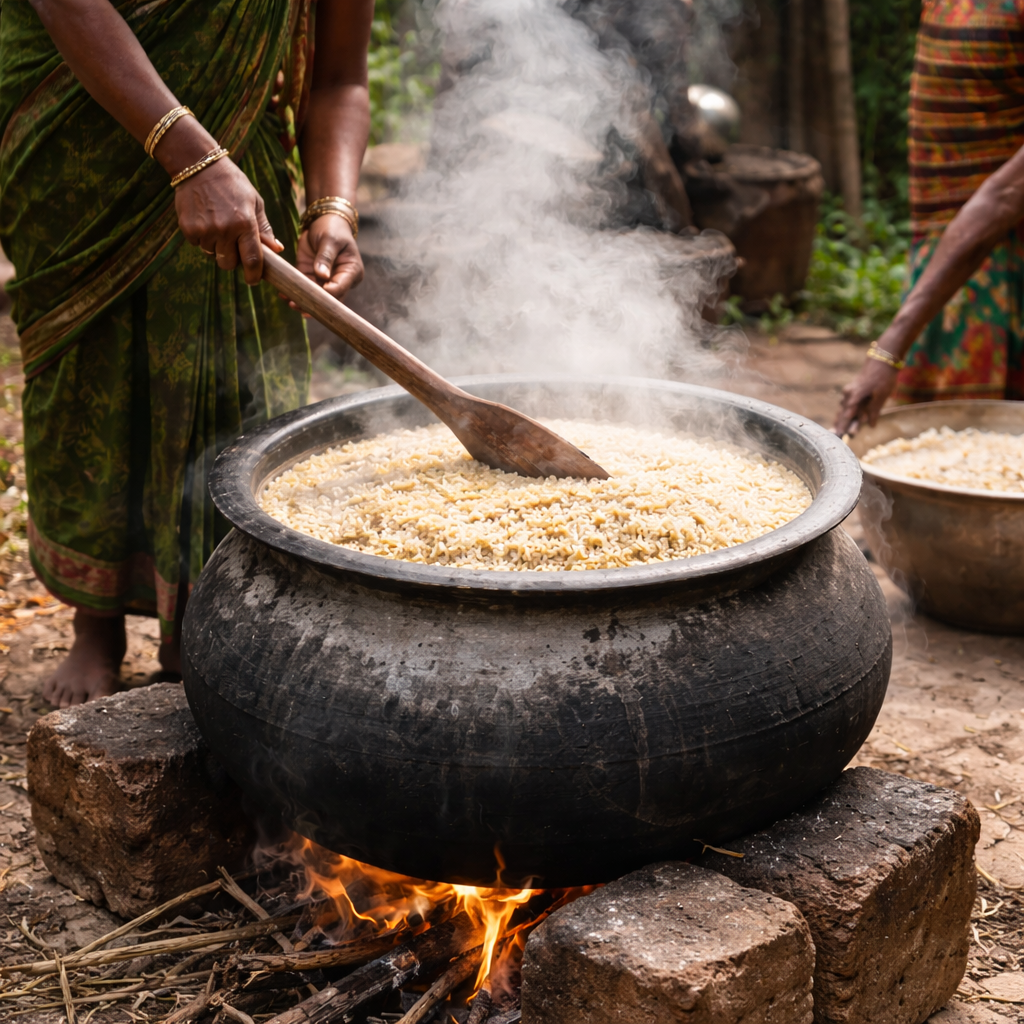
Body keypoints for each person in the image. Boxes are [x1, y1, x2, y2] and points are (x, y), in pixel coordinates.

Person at [0, 0, 374, 706]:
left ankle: (203, 616)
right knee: (91, 373)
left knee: (237, 381)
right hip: (79, 129)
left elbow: (340, 78)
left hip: (243, 152)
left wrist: (333, 205)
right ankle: (96, 621)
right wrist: (191, 158)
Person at [834, 0, 1024, 436]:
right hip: (945, 256)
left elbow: (1005, 196)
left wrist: (888, 348)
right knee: (940, 444)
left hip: (997, 263)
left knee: (989, 447)